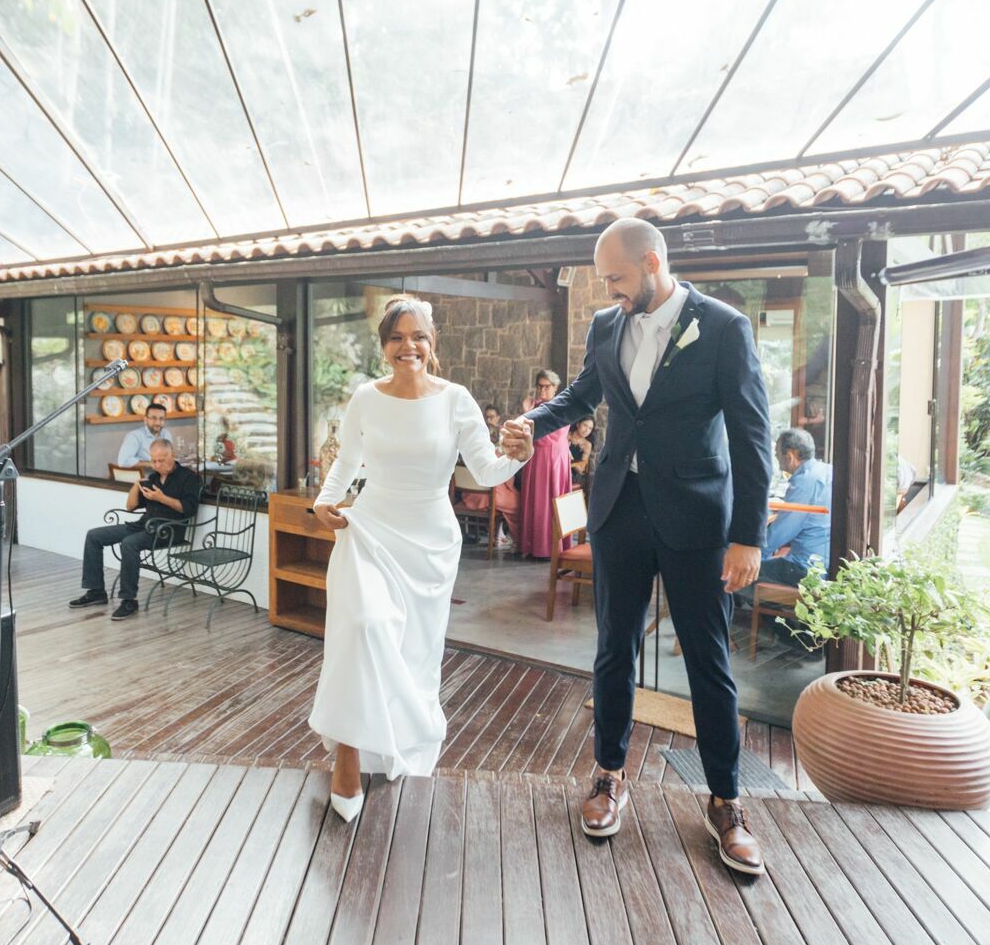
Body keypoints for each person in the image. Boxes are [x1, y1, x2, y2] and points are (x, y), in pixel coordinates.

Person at [506, 218, 772, 874]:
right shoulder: (606, 325)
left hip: (698, 523)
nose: (611, 291)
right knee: (611, 651)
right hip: (618, 515)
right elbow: (581, 395)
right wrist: (532, 422)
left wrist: (748, 536)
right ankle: (607, 776)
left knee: (709, 663)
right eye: (605, 282)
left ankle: (726, 802)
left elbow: (752, 437)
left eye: (618, 278)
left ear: (652, 263)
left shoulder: (724, 328)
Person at [310, 296, 529, 820]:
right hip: (371, 526)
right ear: (384, 346)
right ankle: (347, 750)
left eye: (418, 337)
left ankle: (391, 740)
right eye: (396, 337)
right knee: (362, 626)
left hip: (430, 539)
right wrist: (324, 500)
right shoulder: (366, 396)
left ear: (432, 344)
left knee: (410, 652)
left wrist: (518, 457)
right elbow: (348, 459)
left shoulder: (456, 399)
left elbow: (486, 467)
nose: (408, 346)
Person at [68, 437, 202, 620]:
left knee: (129, 543)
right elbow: (130, 507)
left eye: (161, 460)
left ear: (173, 455)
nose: (157, 464)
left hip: (168, 531)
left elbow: (189, 509)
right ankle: (96, 591)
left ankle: (129, 600)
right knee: (94, 536)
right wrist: (136, 485)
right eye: (153, 460)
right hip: (143, 525)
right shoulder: (154, 477)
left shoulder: (189, 478)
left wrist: (162, 498)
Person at [760, 427, 831, 587]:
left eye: (778, 454)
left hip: (807, 570)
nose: (777, 459)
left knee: (734, 571)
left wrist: (752, 554)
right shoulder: (826, 470)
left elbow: (780, 533)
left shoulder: (804, 482)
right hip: (825, 561)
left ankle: (761, 609)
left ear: (790, 455)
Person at [515, 368, 574, 559]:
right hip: (536, 459)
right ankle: (533, 546)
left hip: (554, 460)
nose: (542, 391)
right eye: (539, 386)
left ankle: (552, 548)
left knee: (551, 501)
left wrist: (528, 415)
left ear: (555, 387)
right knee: (535, 501)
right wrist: (527, 414)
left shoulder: (562, 406)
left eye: (546, 387)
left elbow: (550, 436)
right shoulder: (534, 405)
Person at [115, 402, 170, 468]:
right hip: (145, 477)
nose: (157, 422)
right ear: (145, 419)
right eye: (153, 418)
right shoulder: (134, 436)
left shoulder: (166, 434)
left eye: (161, 419)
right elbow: (123, 461)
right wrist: (150, 464)